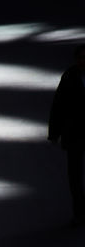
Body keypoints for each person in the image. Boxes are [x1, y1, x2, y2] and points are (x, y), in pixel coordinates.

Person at [48, 44, 85, 226]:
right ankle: (79, 212)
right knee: (75, 176)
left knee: (76, 175)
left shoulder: (70, 76)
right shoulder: (70, 77)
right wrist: (54, 132)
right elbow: (59, 105)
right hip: (76, 134)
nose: (82, 62)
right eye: (80, 58)